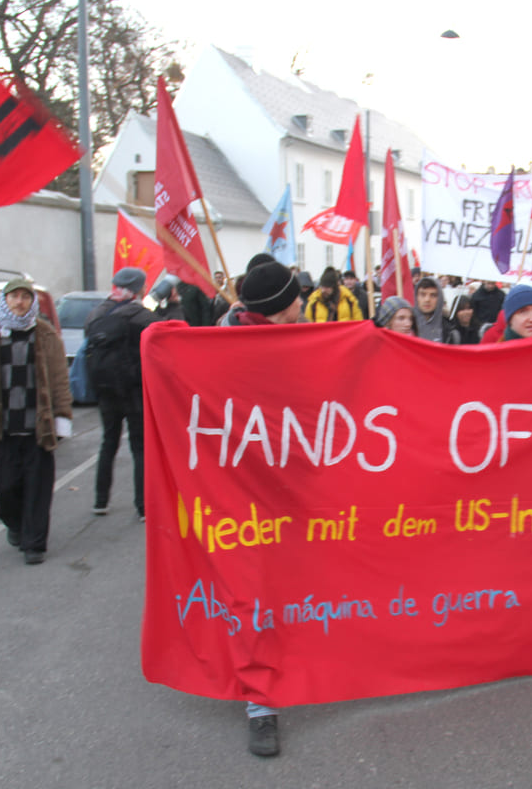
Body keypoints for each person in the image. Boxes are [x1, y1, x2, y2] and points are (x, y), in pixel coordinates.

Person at [222, 260, 303, 758]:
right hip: (238, 495)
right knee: (251, 595)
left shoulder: (297, 341)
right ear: (278, 309)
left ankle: (302, 666)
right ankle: (260, 703)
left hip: (294, 488)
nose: (301, 312)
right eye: (295, 306)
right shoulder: (220, 346)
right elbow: (159, 351)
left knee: (292, 587)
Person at [0, 278, 72, 565]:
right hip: (3, 429)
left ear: (32, 302)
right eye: (14, 297)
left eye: (25, 297)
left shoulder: (46, 334)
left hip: (37, 428)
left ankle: (34, 544)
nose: (20, 302)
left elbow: (60, 381)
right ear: (5, 300)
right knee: (7, 488)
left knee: (38, 489)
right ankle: (14, 523)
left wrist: (62, 417)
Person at [84, 267, 160, 520]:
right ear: (139, 288)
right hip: (134, 389)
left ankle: (100, 500)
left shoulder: (96, 313)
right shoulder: (141, 315)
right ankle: (143, 506)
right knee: (139, 447)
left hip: (105, 390)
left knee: (108, 442)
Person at [412, 277, 459, 344]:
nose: (427, 299)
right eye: (423, 294)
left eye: (433, 295)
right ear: (416, 297)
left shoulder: (450, 332)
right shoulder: (407, 327)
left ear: (440, 299)